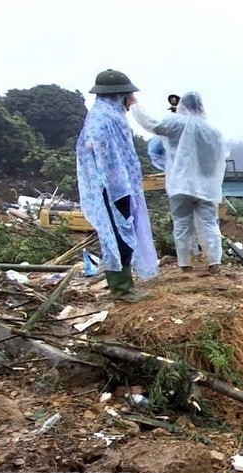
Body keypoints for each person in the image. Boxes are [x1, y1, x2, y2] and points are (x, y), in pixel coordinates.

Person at [76, 69, 159, 302]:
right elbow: (96, 147)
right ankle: (121, 289)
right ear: (117, 95)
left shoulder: (111, 115)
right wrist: (111, 178)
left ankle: (125, 285)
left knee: (125, 232)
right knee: (118, 234)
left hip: (122, 186)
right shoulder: (102, 117)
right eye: (128, 95)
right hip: (111, 188)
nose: (131, 100)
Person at [132, 91, 228, 275]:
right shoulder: (213, 131)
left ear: (182, 105)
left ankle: (185, 265)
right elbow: (220, 158)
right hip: (207, 187)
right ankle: (214, 263)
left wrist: (135, 105)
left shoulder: (176, 123)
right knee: (209, 224)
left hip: (181, 184)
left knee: (182, 224)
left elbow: (152, 125)